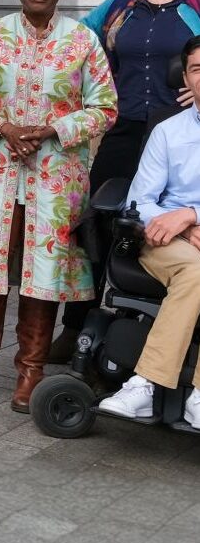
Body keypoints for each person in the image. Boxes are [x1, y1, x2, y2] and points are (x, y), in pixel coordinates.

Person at [0, 0, 117, 412]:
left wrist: (52, 128)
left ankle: (30, 372)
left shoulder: (82, 40)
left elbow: (105, 108)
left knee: (41, 275)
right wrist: (3, 126)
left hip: (55, 178)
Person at [51, 0, 200, 361]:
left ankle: (162, 313)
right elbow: (79, 43)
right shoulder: (121, 4)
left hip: (181, 130)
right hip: (124, 127)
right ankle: (78, 325)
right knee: (96, 221)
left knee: (167, 212)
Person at [98, 35, 200, 425]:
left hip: (183, 226)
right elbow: (140, 201)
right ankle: (146, 385)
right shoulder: (168, 131)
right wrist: (178, 227)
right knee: (195, 270)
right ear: (186, 80)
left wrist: (191, 214)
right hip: (166, 242)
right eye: (196, 69)